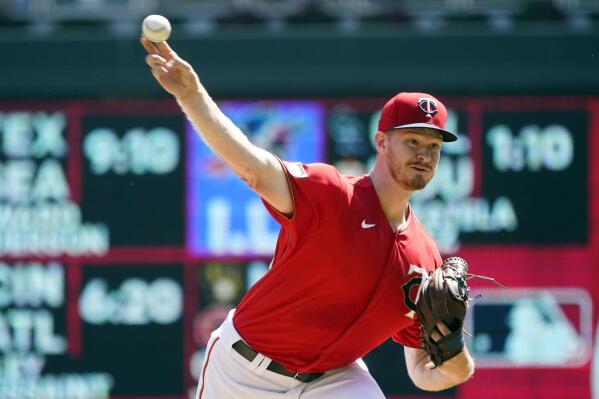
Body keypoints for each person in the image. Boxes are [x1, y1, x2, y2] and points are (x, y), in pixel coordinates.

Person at [141, 37, 475, 399]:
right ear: (381, 142)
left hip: (332, 379)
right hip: (243, 372)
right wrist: (192, 96)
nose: (424, 154)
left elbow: (425, 373)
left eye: (434, 146)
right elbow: (253, 167)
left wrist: (456, 354)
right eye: (412, 141)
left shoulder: (424, 260)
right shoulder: (331, 194)